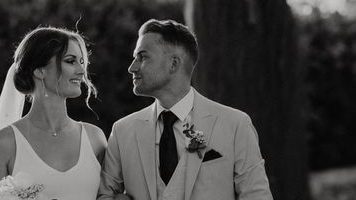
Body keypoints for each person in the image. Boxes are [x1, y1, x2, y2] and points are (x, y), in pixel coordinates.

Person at [99, 19, 273, 200]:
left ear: (173, 63)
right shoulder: (122, 131)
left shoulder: (236, 125)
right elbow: (105, 195)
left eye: (142, 57)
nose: (131, 67)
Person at [0, 27, 107, 200]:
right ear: (39, 71)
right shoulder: (4, 144)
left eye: (82, 61)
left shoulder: (95, 139)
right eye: (71, 61)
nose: (81, 70)